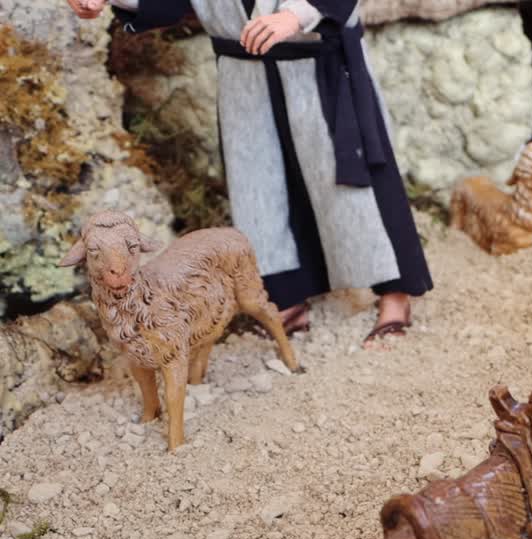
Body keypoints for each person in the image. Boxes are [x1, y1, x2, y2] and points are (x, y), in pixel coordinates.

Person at [65, 0, 432, 348]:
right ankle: (286, 297)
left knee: (353, 186)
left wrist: (297, 13)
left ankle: (394, 295)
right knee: (260, 190)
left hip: (318, 59)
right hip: (243, 70)